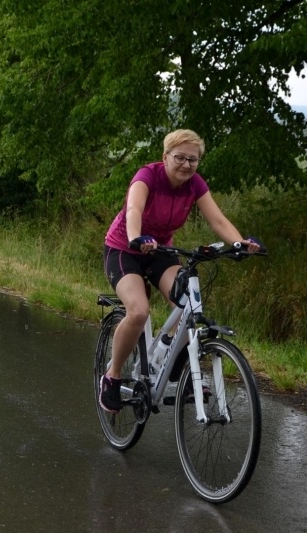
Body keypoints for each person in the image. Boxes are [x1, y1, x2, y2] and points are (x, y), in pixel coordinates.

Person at [99, 129, 261, 413]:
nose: (187, 165)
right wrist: (136, 236)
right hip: (124, 249)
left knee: (189, 303)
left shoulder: (194, 184)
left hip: (160, 251)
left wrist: (238, 243)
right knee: (138, 311)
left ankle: (176, 364)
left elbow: (218, 219)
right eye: (180, 158)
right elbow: (134, 208)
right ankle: (112, 378)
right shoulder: (148, 176)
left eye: (193, 160)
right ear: (165, 157)